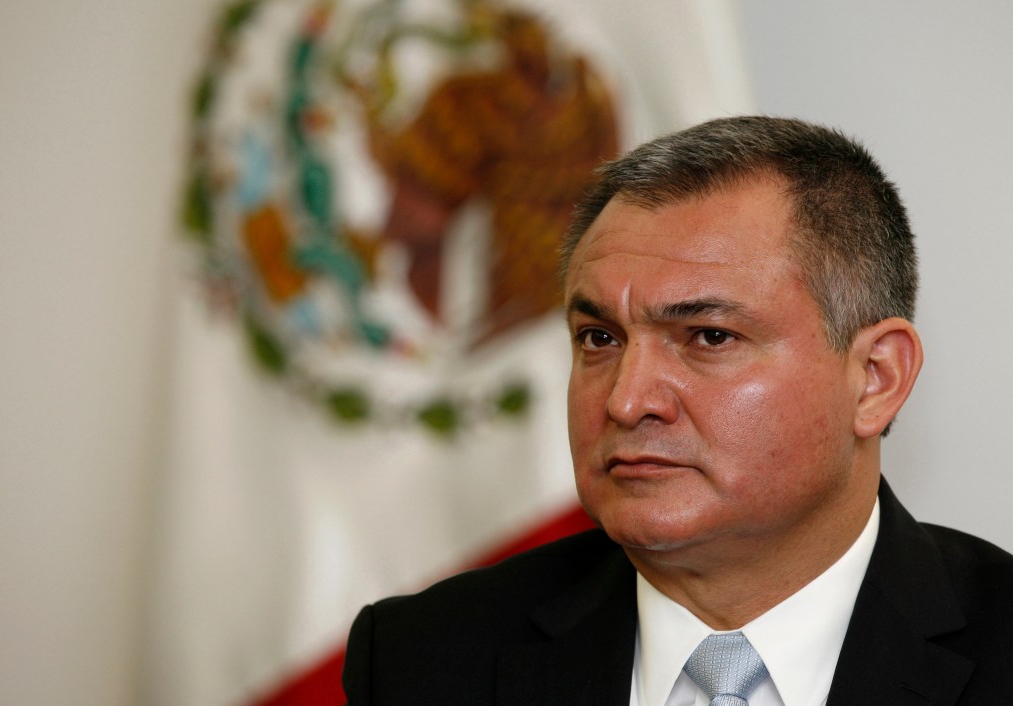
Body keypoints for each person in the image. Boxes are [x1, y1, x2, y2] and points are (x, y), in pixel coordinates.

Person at [341, 116, 1013, 705]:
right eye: (599, 339)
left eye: (709, 337)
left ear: (875, 379)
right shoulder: (422, 661)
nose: (627, 400)